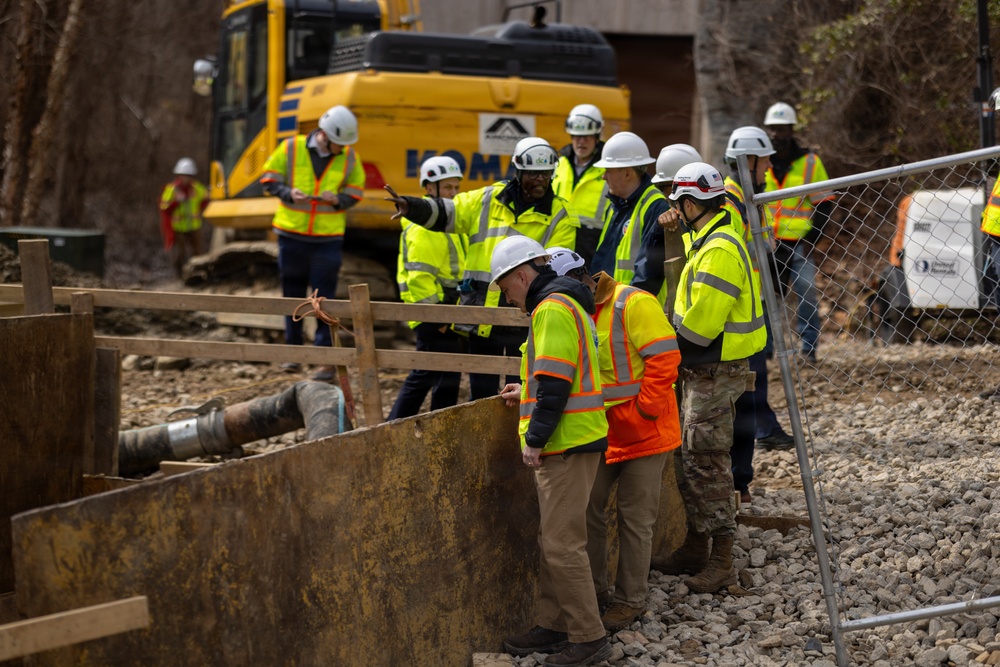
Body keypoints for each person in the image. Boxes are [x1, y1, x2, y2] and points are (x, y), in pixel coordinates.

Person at [491, 236, 611, 667]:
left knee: (562, 544)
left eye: (506, 289)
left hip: (566, 442)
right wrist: (528, 390)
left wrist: (535, 441)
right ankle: (554, 623)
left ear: (522, 276)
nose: (509, 298)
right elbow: (563, 374)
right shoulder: (566, 304)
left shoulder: (552, 309)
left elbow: (558, 384)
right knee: (556, 539)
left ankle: (588, 637)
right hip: (574, 437)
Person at [547, 247, 681, 632]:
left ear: (579, 279)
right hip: (603, 433)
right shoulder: (571, 309)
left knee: (635, 517)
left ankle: (630, 600)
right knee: (587, 509)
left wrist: (645, 412)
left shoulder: (632, 303)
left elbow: (665, 359)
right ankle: (594, 591)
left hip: (645, 431)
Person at [384, 137, 579, 400]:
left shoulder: (560, 214)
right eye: (534, 174)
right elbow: (448, 212)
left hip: (523, 314)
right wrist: (411, 206)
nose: (541, 180)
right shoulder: (487, 198)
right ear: (519, 172)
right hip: (481, 316)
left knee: (519, 388)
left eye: (546, 174)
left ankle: (515, 438)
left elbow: (554, 264)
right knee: (481, 392)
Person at [650, 162, 766, 593]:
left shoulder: (718, 248)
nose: (676, 212)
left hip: (713, 370)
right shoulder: (706, 240)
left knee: (707, 461)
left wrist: (660, 350)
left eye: (678, 203)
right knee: (691, 459)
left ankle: (721, 559)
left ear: (689, 202)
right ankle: (697, 547)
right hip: (703, 369)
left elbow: (699, 328)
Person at [260, 105, 365, 381]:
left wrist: (337, 199)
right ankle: (293, 355)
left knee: (323, 299)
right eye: (337, 143)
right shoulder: (291, 147)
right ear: (324, 135)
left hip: (327, 238)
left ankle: (324, 359)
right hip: (291, 234)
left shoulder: (350, 157)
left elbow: (356, 191)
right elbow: (269, 178)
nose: (340, 149)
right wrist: (288, 193)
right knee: (292, 294)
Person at [722, 127, 795, 507]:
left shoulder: (749, 198)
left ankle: (743, 474)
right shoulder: (732, 202)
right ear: (746, 162)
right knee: (748, 389)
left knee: (754, 385)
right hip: (741, 313)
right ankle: (739, 480)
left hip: (751, 306)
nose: (769, 166)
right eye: (764, 160)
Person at [387, 156, 468, 420]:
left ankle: (432, 426)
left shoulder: (446, 221)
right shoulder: (425, 229)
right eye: (447, 188)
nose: (453, 194)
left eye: (456, 187)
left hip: (445, 309)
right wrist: (437, 320)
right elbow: (419, 279)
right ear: (429, 189)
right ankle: (392, 426)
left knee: (445, 375)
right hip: (433, 312)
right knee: (426, 374)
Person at [763, 102, 835, 363]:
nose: (775, 134)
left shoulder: (810, 163)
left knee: (806, 295)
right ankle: (767, 350)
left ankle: (808, 349)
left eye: (781, 129)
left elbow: (824, 203)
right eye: (772, 129)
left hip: (799, 244)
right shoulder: (760, 162)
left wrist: (812, 239)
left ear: (791, 130)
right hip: (767, 243)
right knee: (766, 298)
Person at [590, 132, 672, 305]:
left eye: (608, 171)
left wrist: (629, 305)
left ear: (627, 174)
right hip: (612, 306)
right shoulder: (615, 206)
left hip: (633, 309)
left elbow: (650, 271)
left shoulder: (655, 207)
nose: (604, 176)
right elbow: (603, 258)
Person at [553, 104, 608, 265]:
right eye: (577, 137)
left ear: (597, 136)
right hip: (559, 243)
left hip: (594, 248)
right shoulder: (559, 163)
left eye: (587, 137)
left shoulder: (607, 168)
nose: (581, 142)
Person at [159, 158, 208, 278]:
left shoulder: (197, 188)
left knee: (197, 251)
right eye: (184, 175)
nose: (186, 178)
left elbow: (206, 199)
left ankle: (197, 273)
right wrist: (175, 202)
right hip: (178, 227)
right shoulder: (171, 189)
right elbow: (163, 206)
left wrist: (201, 209)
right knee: (179, 253)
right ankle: (180, 276)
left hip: (194, 226)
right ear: (178, 175)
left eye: (188, 175)